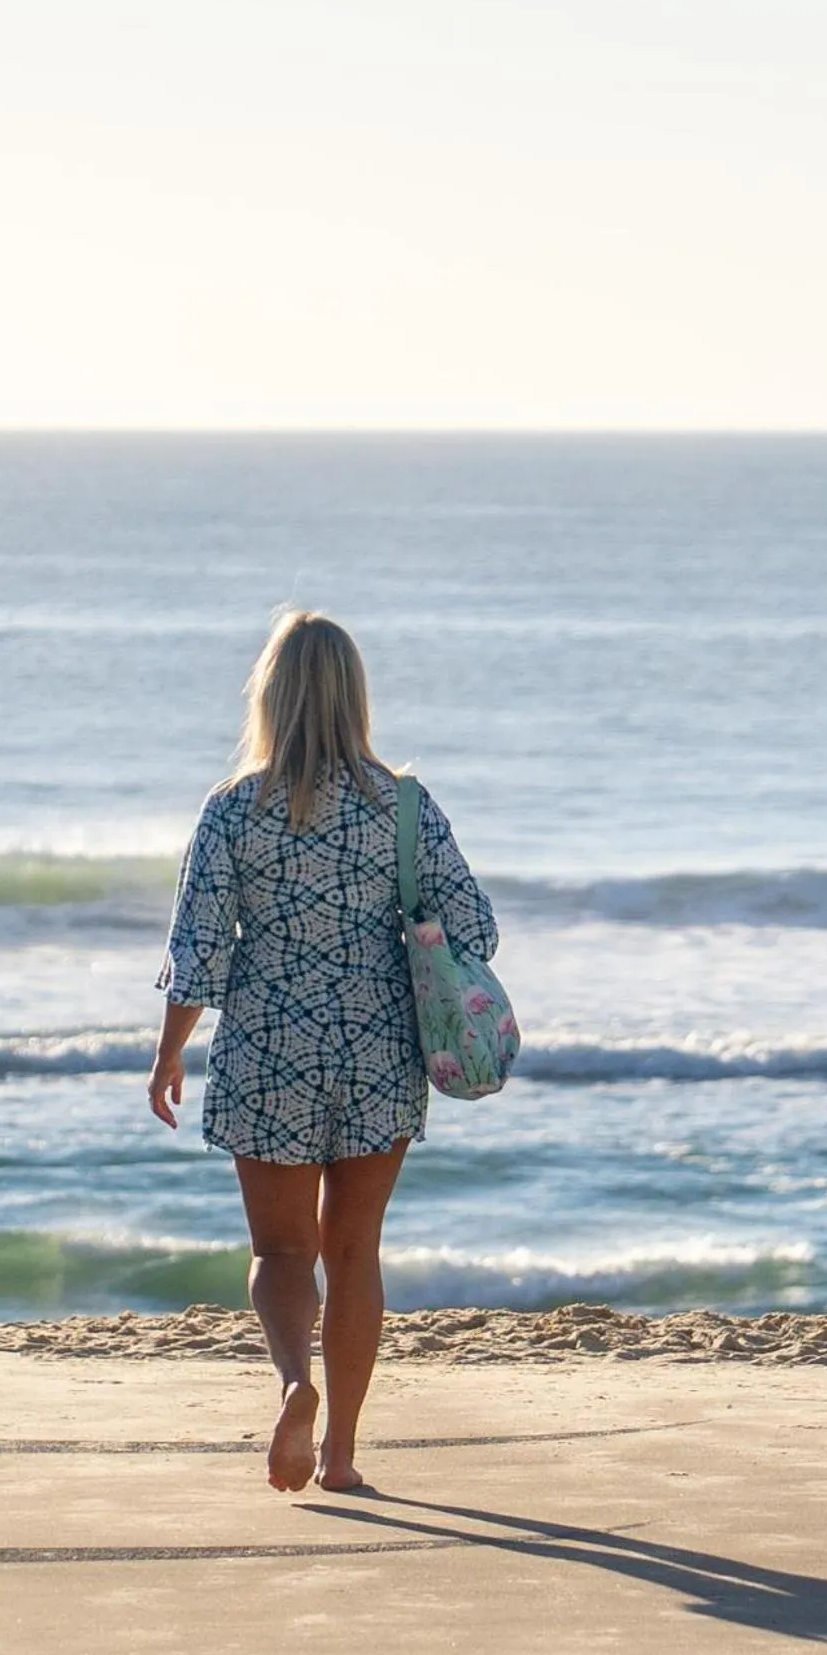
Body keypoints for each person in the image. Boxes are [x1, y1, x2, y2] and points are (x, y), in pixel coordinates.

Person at [148, 611, 497, 1493]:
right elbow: (475, 930)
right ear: (355, 695)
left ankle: (292, 1383)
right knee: (353, 1255)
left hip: (267, 1047)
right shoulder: (405, 806)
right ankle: (340, 1457)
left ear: (269, 696)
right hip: (378, 1047)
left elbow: (199, 951)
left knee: (280, 1254)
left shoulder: (234, 808)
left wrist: (169, 1054)